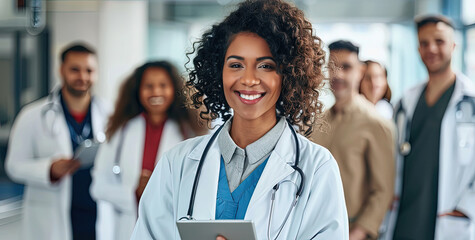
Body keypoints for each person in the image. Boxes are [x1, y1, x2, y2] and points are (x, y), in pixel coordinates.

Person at [130, 0, 349, 239]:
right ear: (218, 71)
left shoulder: (316, 168)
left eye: (265, 66)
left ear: (288, 74)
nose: (248, 79)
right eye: (236, 64)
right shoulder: (177, 163)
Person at [387, 15, 475, 240]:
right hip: (405, 220)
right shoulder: (405, 102)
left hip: (449, 220)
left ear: (454, 45)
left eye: (439, 41)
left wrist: (466, 209)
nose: (431, 49)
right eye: (424, 43)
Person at [5, 43, 111, 240]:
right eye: (75, 69)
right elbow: (13, 166)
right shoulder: (32, 115)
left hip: (96, 215)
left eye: (89, 70)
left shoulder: (109, 114)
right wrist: (49, 169)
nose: (82, 77)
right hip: (52, 218)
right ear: (61, 69)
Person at [90, 61, 207, 240]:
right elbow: (97, 187)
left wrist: (156, 189)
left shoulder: (189, 133)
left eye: (163, 85)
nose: (156, 92)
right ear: (137, 90)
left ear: (174, 89)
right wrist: (133, 192)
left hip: (169, 230)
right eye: (148, 86)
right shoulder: (121, 131)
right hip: (128, 229)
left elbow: (201, 188)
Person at [313, 40, 395, 240]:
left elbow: (382, 191)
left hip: (352, 233)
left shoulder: (376, 124)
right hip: (315, 229)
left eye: (346, 67)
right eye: (332, 67)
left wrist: (356, 234)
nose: (337, 74)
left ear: (360, 71)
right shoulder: (317, 122)